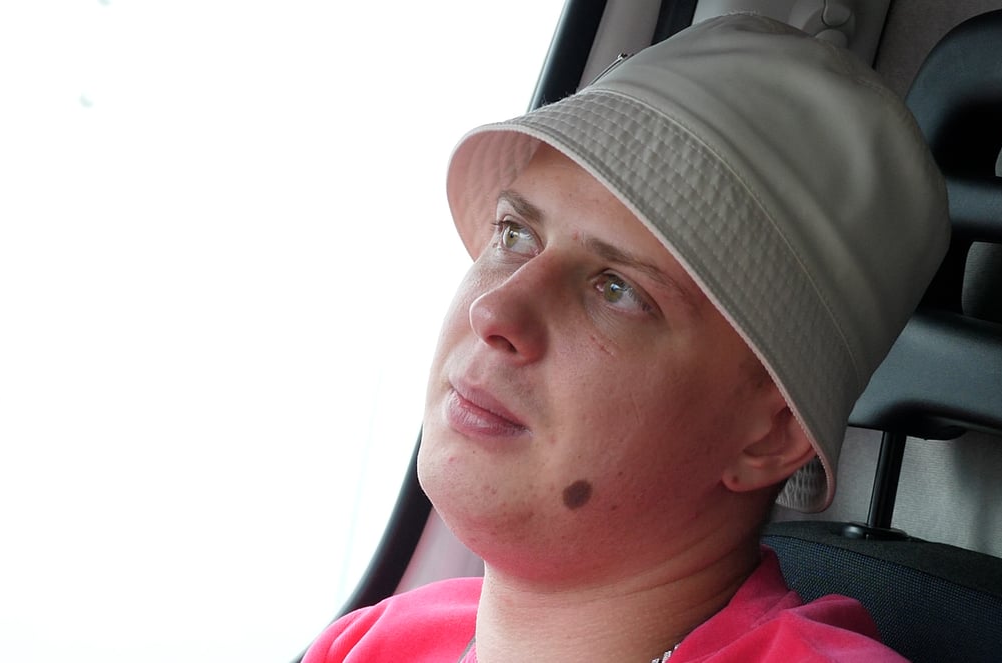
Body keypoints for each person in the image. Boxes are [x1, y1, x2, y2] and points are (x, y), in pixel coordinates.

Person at [302, 13, 948, 663]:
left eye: (617, 290)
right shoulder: (372, 641)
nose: (493, 310)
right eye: (514, 234)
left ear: (770, 433)